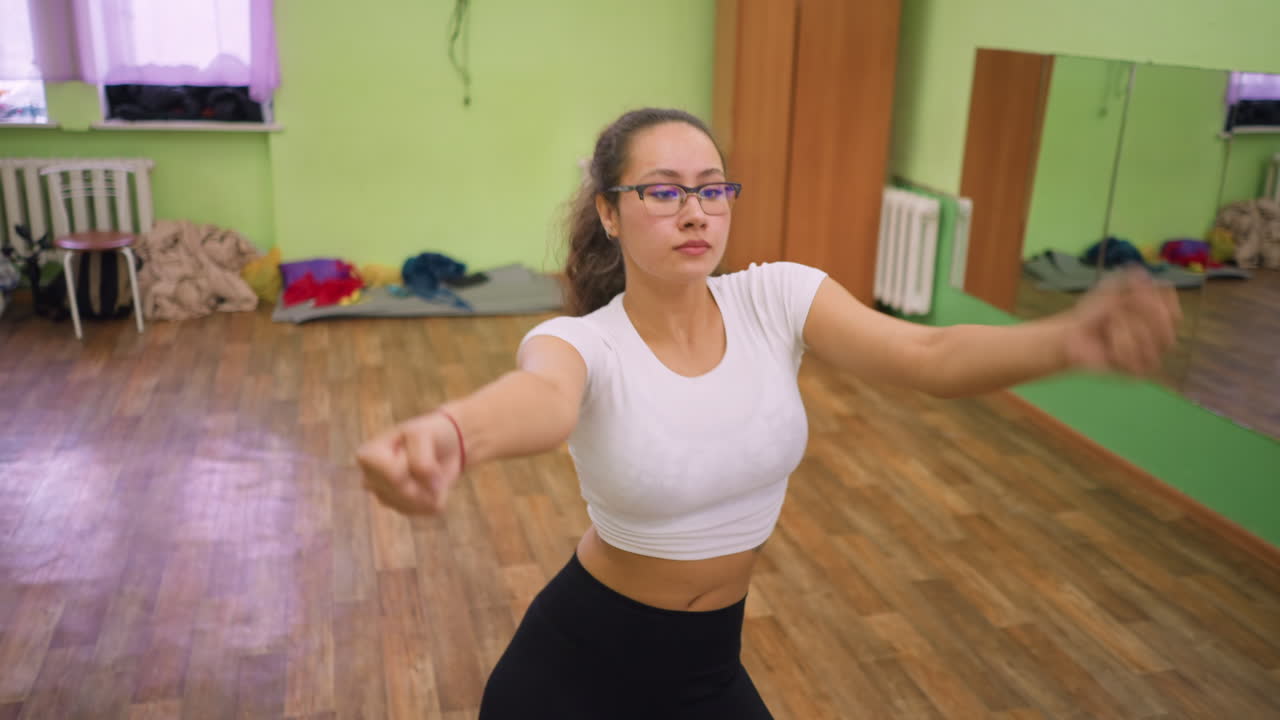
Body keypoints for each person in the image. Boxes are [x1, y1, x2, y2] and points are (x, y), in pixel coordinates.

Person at [356, 107, 1181, 719]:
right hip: (577, 671)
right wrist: (453, 434)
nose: (696, 212)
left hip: (708, 667)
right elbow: (540, 400)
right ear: (609, 211)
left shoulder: (777, 297)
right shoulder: (582, 342)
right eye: (663, 192)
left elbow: (928, 356)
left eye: (712, 190)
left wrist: (1068, 339)